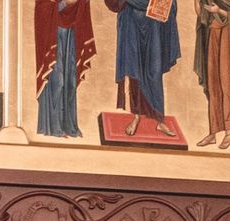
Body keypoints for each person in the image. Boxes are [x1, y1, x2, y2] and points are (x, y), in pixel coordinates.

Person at [109, 0, 179, 119]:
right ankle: (136, 116)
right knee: (134, 70)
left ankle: (158, 117)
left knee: (155, 71)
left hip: (154, 23)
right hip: (131, 20)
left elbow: (170, 4)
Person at [35, 0, 95, 138]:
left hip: (72, 31)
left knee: (71, 81)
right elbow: (42, 7)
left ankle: (70, 126)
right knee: (58, 81)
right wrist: (63, 4)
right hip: (53, 33)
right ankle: (54, 127)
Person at [193, 0, 230, 149]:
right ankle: (213, 132)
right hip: (212, 33)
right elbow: (202, 15)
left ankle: (229, 133)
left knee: (226, 83)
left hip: (229, 35)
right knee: (213, 84)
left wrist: (219, 11)